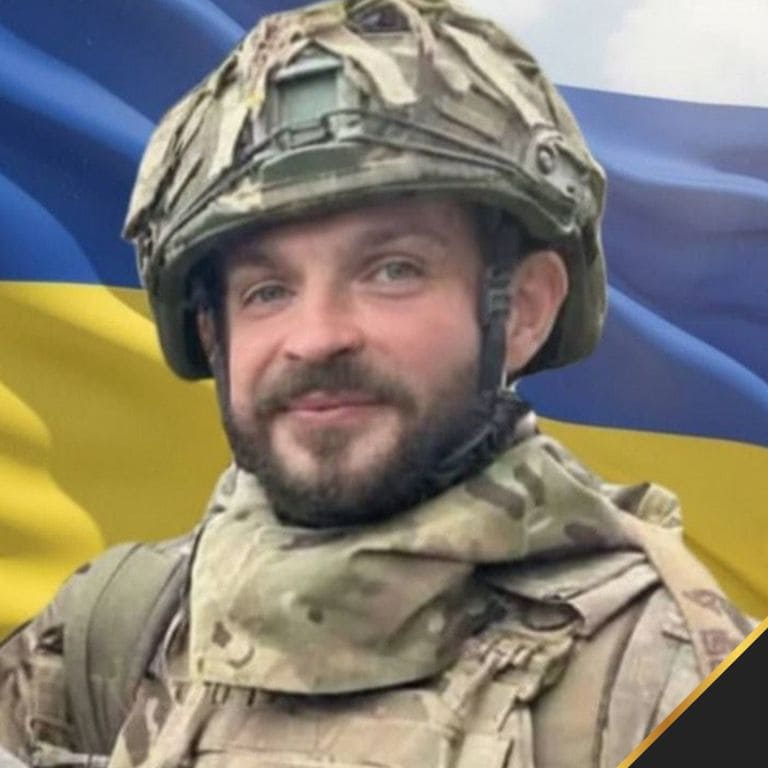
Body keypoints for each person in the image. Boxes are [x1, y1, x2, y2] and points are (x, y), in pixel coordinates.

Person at [0, 1, 752, 766]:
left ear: (523, 310)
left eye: (393, 270)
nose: (317, 336)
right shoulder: (115, 632)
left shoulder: (670, 678)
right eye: (267, 290)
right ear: (213, 335)